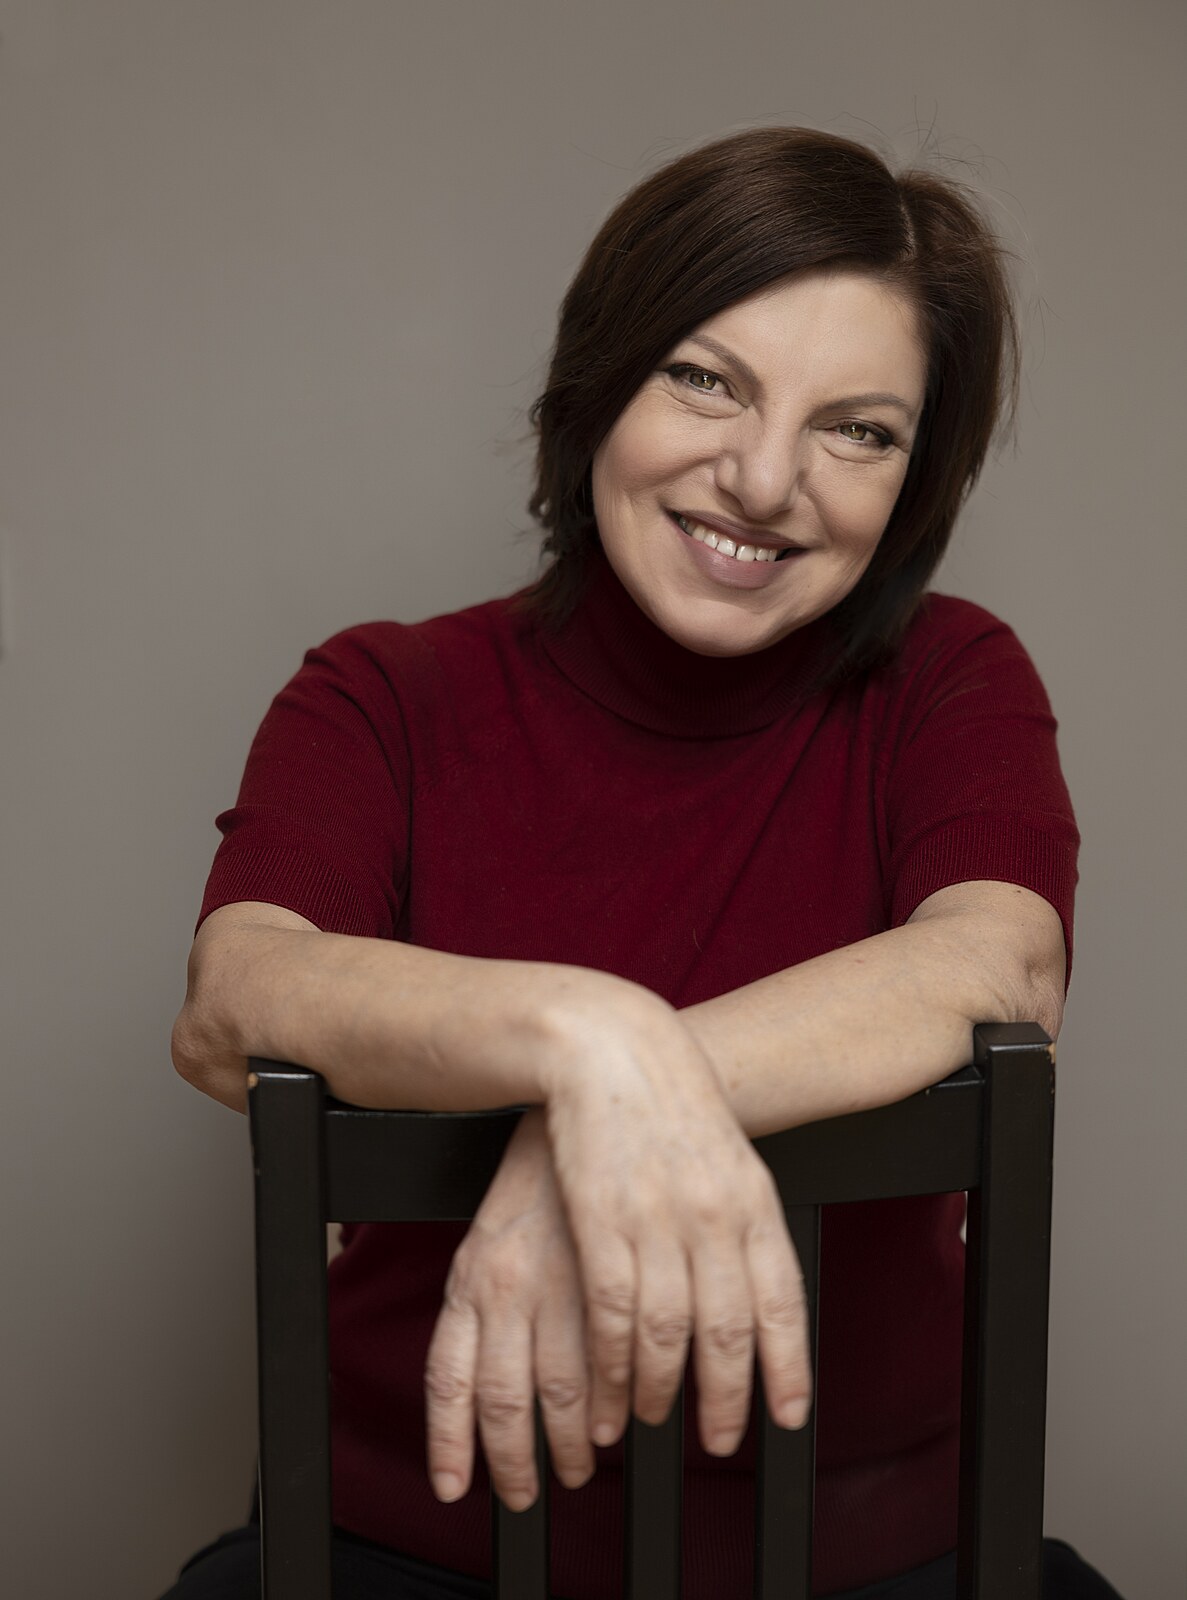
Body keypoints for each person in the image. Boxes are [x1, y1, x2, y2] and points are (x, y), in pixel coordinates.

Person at [163, 129, 1121, 1599]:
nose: (765, 479)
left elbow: (998, 957)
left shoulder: (953, 679)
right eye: (706, 379)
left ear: (913, 478)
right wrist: (585, 1039)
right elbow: (236, 997)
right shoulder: (381, 696)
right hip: (403, 1545)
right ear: (600, 378)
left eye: (858, 431)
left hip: (883, 1561)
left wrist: (601, 1122)